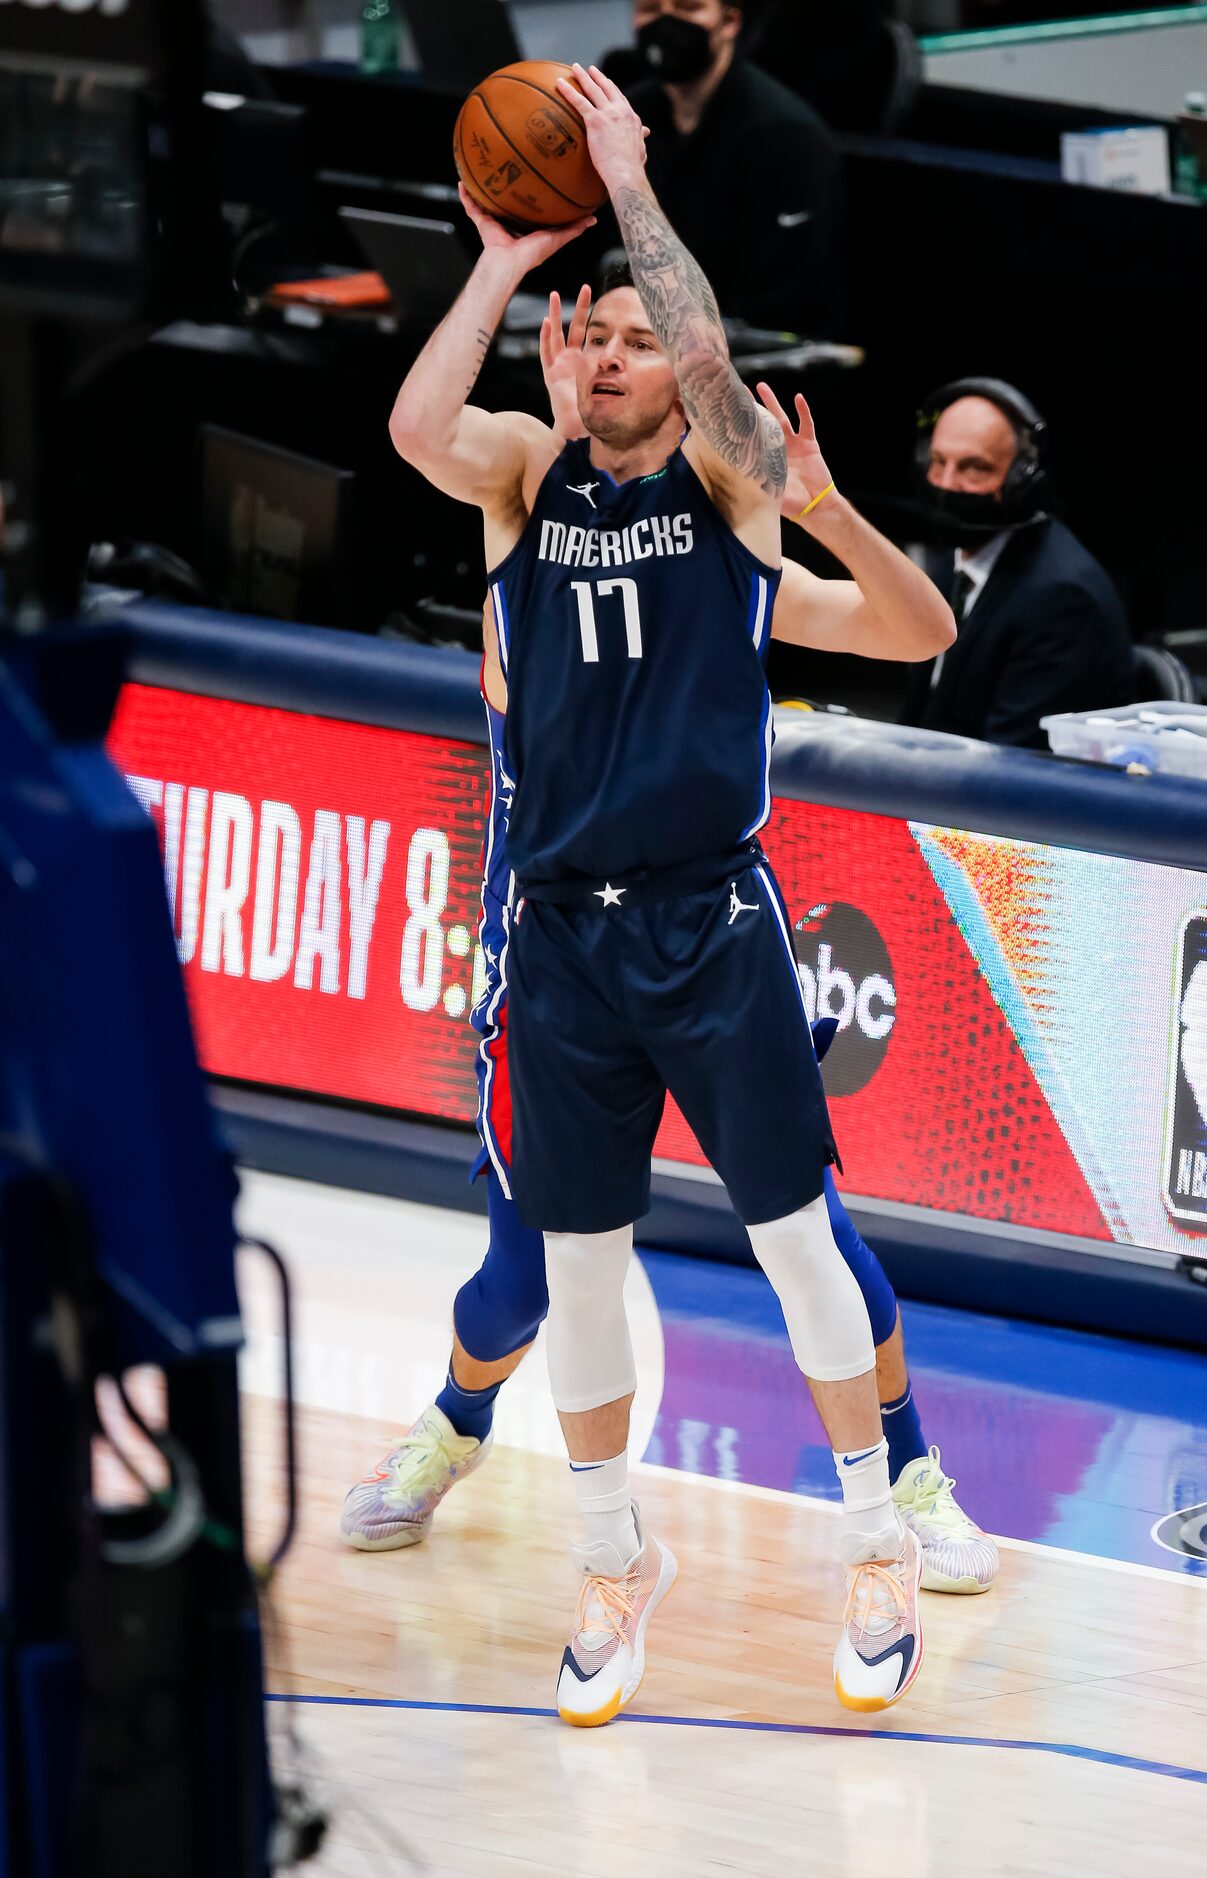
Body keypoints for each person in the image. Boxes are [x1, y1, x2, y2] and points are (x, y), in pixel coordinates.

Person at [379, 64, 950, 1725]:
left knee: (795, 1243)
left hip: (708, 919)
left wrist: (632, 195)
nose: (623, 350)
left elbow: (718, 374)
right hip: (562, 935)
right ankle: (614, 1557)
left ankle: (873, 1534)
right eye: (598, 333)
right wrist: (497, 256)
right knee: (573, 1271)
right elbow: (413, 426)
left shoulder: (729, 485)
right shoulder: (514, 477)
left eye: (641, 334)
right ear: (564, 356)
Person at [900, 378, 1133, 748]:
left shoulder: (1062, 600)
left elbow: (1011, 763)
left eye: (973, 468)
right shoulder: (953, 566)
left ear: (1021, 480)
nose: (946, 483)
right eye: (938, 462)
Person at [613, 0, 842, 332]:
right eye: (650, 9)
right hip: (644, 337)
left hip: (747, 360)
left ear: (730, 21)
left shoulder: (785, 136)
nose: (665, 23)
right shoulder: (628, 115)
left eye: (688, 8)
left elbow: (784, 303)